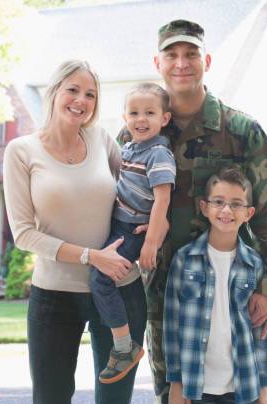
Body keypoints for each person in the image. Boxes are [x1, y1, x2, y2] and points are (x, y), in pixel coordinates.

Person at [118, 20, 267, 404]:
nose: (181, 63)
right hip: (162, 295)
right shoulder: (135, 135)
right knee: (174, 398)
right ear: (158, 63)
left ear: (207, 61)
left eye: (191, 54)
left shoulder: (241, 131)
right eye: (172, 55)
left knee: (238, 393)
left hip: (231, 291)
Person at [3, 60, 147, 404]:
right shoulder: (21, 151)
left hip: (120, 286)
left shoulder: (101, 139)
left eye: (90, 95)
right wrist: (90, 256)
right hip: (55, 295)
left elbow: (134, 188)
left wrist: (152, 220)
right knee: (50, 399)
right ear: (54, 92)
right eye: (73, 89)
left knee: (115, 401)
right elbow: (23, 234)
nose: (81, 100)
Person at [164, 166, 267, 404]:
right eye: (219, 202)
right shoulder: (184, 259)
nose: (226, 210)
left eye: (236, 204)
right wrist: (176, 384)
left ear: (249, 213)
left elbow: (263, 332)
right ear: (204, 207)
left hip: (243, 386)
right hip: (197, 386)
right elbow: (171, 326)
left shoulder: (255, 264)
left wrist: (263, 389)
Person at [91, 83, 175, 384]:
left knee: (101, 279)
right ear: (124, 117)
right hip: (120, 224)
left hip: (134, 229)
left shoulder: (159, 154)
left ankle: (125, 346)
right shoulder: (128, 147)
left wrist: (151, 240)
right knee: (98, 274)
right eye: (134, 112)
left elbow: (163, 198)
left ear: (164, 118)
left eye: (149, 113)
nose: (141, 119)